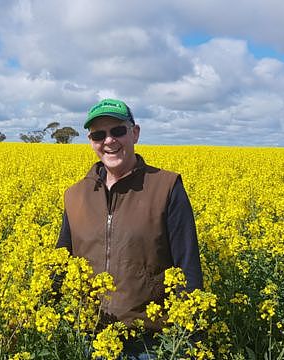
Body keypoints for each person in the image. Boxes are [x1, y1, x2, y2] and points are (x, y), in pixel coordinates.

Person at [56, 98, 204, 358]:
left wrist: (191, 336)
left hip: (149, 340)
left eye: (118, 131)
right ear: (91, 141)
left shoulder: (166, 186)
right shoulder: (75, 195)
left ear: (135, 133)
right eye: (99, 135)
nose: (109, 141)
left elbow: (187, 263)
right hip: (90, 337)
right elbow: (60, 259)